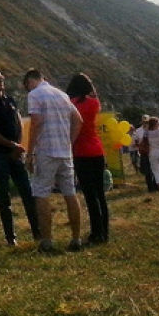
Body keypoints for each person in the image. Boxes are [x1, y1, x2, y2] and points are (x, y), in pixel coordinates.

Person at [0, 69, 41, 247]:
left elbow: (19, 123)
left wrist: (18, 145)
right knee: (4, 195)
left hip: (15, 154)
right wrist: (11, 145)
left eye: (1, 78)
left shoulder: (11, 101)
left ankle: (37, 232)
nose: (0, 82)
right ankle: (10, 237)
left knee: (27, 192)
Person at [24, 69, 83, 253]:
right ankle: (76, 238)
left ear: (29, 82)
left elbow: (36, 122)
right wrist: (69, 141)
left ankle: (47, 241)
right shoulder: (63, 95)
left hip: (46, 151)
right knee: (70, 194)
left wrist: (30, 152)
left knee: (41, 194)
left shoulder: (35, 95)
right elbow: (78, 120)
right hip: (64, 152)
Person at [65, 73, 109, 245]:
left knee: (90, 196)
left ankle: (95, 233)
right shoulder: (94, 103)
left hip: (81, 151)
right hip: (97, 149)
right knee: (100, 195)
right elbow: (95, 96)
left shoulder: (71, 105)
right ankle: (104, 232)